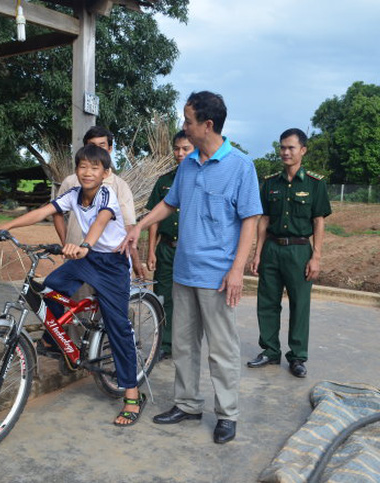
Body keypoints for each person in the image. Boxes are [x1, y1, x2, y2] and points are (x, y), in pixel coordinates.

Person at [119, 91, 262, 444]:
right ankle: (187, 403)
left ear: (207, 125)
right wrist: (139, 224)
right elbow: (169, 204)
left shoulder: (241, 166)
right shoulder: (187, 164)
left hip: (217, 277)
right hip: (184, 272)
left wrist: (236, 271)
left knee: (222, 349)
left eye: (188, 120)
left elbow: (250, 220)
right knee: (183, 344)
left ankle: (227, 414)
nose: (184, 127)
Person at [0, 144, 146, 427]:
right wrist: (8, 228)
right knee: (49, 287)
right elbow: (43, 211)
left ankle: (132, 396)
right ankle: (60, 341)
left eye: (94, 168)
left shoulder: (107, 195)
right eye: (82, 166)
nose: (87, 173)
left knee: (118, 327)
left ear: (105, 173)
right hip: (88, 258)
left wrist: (85, 245)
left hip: (111, 264)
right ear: (76, 170)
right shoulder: (73, 194)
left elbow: (101, 221)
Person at [247, 128, 332, 378]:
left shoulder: (315, 184)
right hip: (272, 248)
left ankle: (297, 357)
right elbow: (263, 219)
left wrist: (316, 257)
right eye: (282, 147)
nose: (285, 152)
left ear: (302, 150)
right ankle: (270, 350)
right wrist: (257, 253)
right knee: (267, 302)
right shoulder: (271, 182)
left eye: (291, 148)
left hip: (299, 250)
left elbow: (319, 221)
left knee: (300, 304)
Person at [53, 126, 144, 277]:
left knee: (104, 298)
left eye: (102, 146)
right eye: (91, 146)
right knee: (76, 298)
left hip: (108, 259)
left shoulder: (119, 186)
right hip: (76, 254)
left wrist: (135, 260)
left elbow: (128, 226)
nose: (97, 151)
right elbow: (56, 212)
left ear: (110, 149)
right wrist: (65, 242)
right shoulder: (71, 182)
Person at [145, 131, 194, 359]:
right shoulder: (164, 181)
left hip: (191, 251)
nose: (180, 153)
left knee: (189, 299)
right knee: (162, 296)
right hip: (166, 248)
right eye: (177, 149)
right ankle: (164, 344)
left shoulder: (199, 179)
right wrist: (151, 250)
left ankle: (185, 344)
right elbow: (155, 217)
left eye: (186, 148)